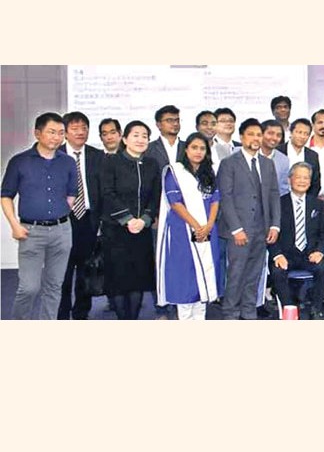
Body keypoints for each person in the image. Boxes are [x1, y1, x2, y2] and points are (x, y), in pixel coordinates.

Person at [1, 113, 77, 319]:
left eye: (61, 133)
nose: (57, 137)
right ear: (37, 133)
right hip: (30, 231)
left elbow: (71, 195)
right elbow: (6, 196)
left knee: (54, 286)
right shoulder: (20, 162)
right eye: (52, 132)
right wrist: (14, 225)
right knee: (29, 288)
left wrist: (59, 217)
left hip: (62, 231)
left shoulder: (69, 162)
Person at [217, 118, 281, 320]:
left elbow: (273, 195)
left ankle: (248, 311)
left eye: (259, 135)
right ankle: (230, 313)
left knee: (254, 274)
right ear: (241, 137)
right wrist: (236, 229)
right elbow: (224, 197)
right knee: (236, 273)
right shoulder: (229, 163)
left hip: (261, 229)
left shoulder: (267, 164)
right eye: (251, 134)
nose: (256, 138)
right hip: (238, 231)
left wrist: (275, 225)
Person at [156, 132, 221, 320]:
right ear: (186, 149)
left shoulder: (209, 172)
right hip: (182, 232)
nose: (198, 152)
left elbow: (215, 199)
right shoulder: (174, 172)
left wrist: (208, 225)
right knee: (186, 278)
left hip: (208, 232)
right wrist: (196, 226)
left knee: (206, 277)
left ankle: (200, 319)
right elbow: (175, 202)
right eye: (194, 147)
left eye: (202, 148)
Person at [100, 121, 161, 319]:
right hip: (115, 230)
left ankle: (133, 319)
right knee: (118, 280)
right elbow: (107, 194)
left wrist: (144, 219)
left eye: (145, 136)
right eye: (136, 135)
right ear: (125, 139)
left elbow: (155, 195)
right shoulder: (111, 162)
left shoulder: (152, 164)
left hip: (141, 230)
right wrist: (127, 219)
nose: (141, 139)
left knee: (138, 279)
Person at [268, 162, 324, 319]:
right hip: (285, 254)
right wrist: (277, 254)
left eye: (306, 178)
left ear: (310, 182)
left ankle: (316, 308)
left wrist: (320, 251)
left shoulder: (318, 204)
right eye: (298, 177)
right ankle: (290, 308)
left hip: (310, 254)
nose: (302, 181)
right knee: (277, 271)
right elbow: (270, 232)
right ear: (290, 180)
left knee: (322, 269)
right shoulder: (278, 204)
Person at [58, 111, 105, 320]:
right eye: (75, 128)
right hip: (62, 221)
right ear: (65, 132)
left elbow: (104, 191)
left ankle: (81, 313)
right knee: (62, 272)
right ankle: (61, 313)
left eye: (84, 128)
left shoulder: (97, 156)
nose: (80, 132)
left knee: (87, 271)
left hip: (89, 220)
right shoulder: (55, 155)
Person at [277, 118, 322, 198]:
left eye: (306, 134)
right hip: (279, 199)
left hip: (304, 201)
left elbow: (315, 184)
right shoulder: (278, 152)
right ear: (291, 132)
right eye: (299, 132)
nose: (302, 136)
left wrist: (307, 201)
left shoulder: (312, 156)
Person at [146, 104, 186, 172]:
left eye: (177, 120)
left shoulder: (188, 147)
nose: (175, 124)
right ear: (158, 125)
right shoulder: (149, 148)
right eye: (170, 120)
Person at [260, 119, 291, 195]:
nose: (274, 138)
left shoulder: (284, 160)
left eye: (278, 135)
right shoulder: (241, 152)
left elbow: (283, 190)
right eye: (270, 133)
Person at [309, 109, 324, 191]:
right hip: (310, 196)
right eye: (320, 122)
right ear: (313, 125)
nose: (323, 126)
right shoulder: (304, 147)